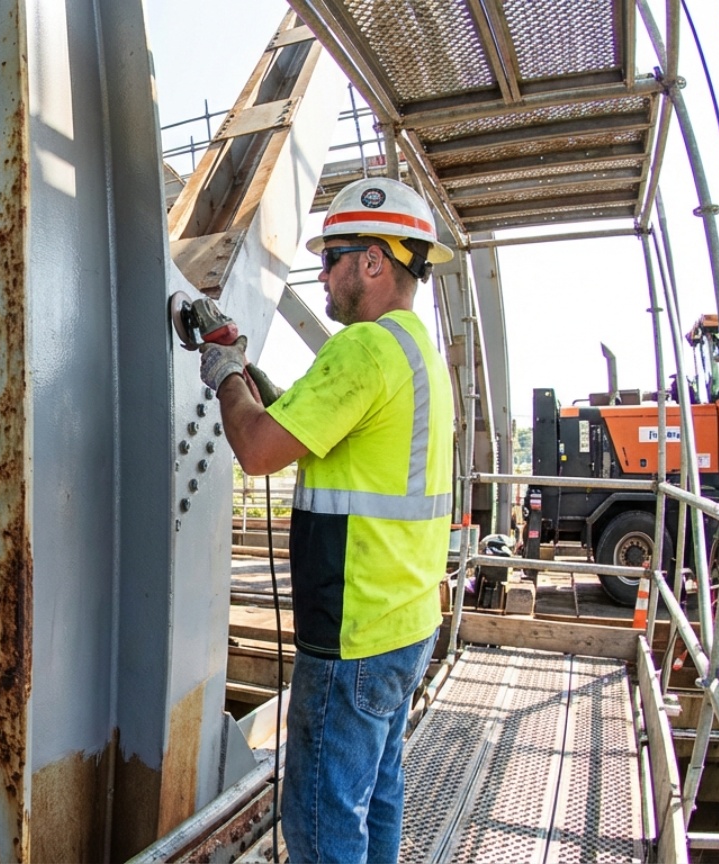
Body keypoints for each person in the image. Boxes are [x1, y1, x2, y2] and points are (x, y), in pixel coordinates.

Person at [199, 176, 456, 863]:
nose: (321, 274)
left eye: (332, 256)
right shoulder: (417, 354)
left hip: (352, 635)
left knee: (319, 820)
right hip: (405, 625)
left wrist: (226, 374)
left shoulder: (362, 349)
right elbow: (316, 429)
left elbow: (256, 449)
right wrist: (256, 382)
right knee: (376, 794)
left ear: (373, 261)